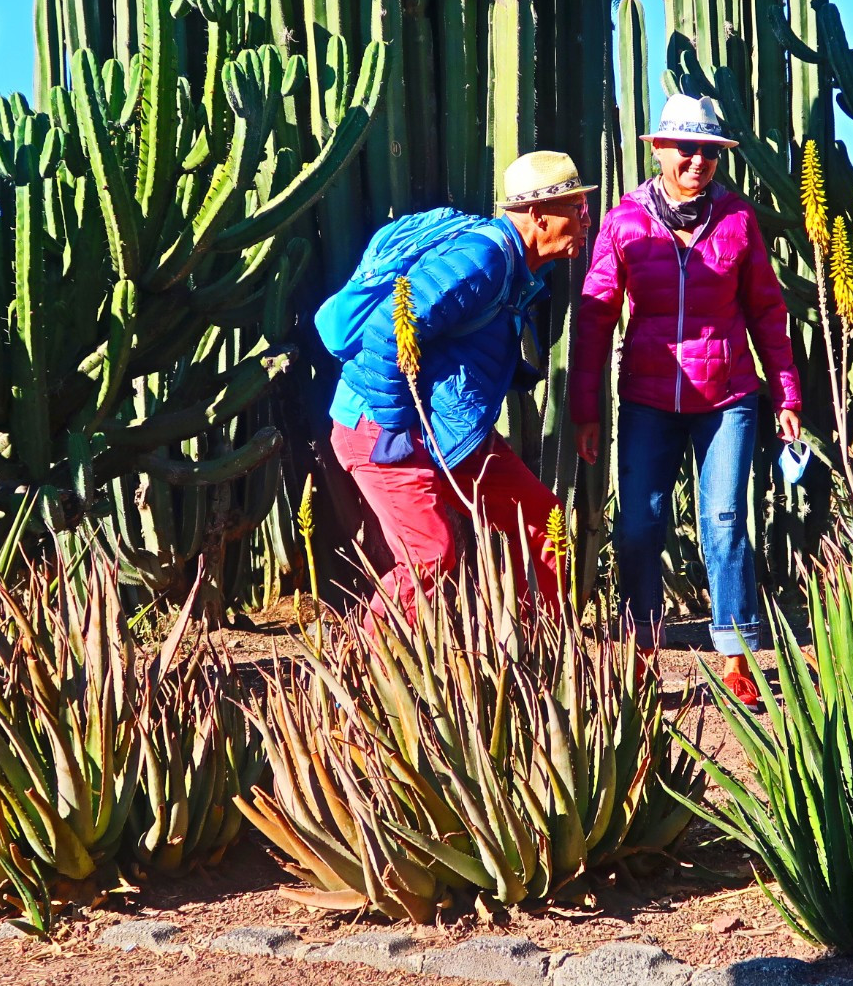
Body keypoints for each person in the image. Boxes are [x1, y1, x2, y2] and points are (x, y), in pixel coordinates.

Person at [571, 95, 802, 705]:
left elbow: (767, 313)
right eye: (687, 150)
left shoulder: (738, 221)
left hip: (728, 398)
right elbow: (594, 319)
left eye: (710, 152)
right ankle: (642, 652)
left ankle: (737, 658)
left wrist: (786, 393)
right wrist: (585, 411)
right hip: (648, 398)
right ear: (660, 151)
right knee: (641, 523)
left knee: (725, 523)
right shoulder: (624, 222)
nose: (698, 162)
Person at [320, 151, 595, 619]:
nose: (587, 220)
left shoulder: (512, 264)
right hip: (381, 428)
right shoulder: (483, 258)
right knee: (428, 553)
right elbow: (390, 330)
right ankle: (370, 675)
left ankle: (538, 662)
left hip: (445, 431)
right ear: (539, 215)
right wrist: (396, 428)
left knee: (542, 522)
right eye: (578, 208)